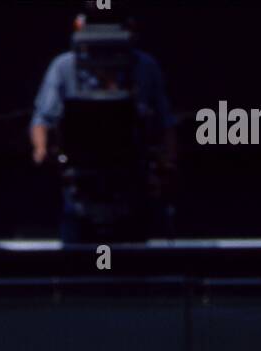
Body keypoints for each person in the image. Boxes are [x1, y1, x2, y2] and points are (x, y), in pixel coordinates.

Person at [30, 7, 177, 243]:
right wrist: (42, 149)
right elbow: (43, 119)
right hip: (81, 183)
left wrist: (166, 163)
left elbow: (164, 120)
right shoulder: (64, 67)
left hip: (131, 180)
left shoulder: (145, 67)